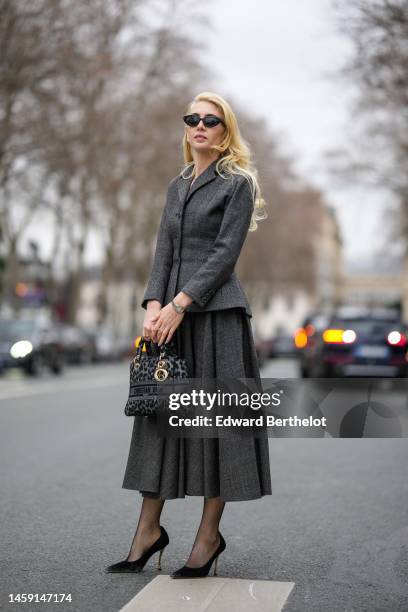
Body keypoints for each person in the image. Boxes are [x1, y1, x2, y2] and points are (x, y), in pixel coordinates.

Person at [106, 91, 272, 578]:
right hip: (170, 318)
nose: (200, 126)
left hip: (215, 317)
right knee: (160, 421)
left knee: (217, 427)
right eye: (193, 119)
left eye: (211, 121)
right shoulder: (177, 185)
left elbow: (225, 254)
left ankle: (207, 538)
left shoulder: (236, 183)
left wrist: (182, 302)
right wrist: (153, 305)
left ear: (225, 133)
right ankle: (147, 532)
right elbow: (163, 251)